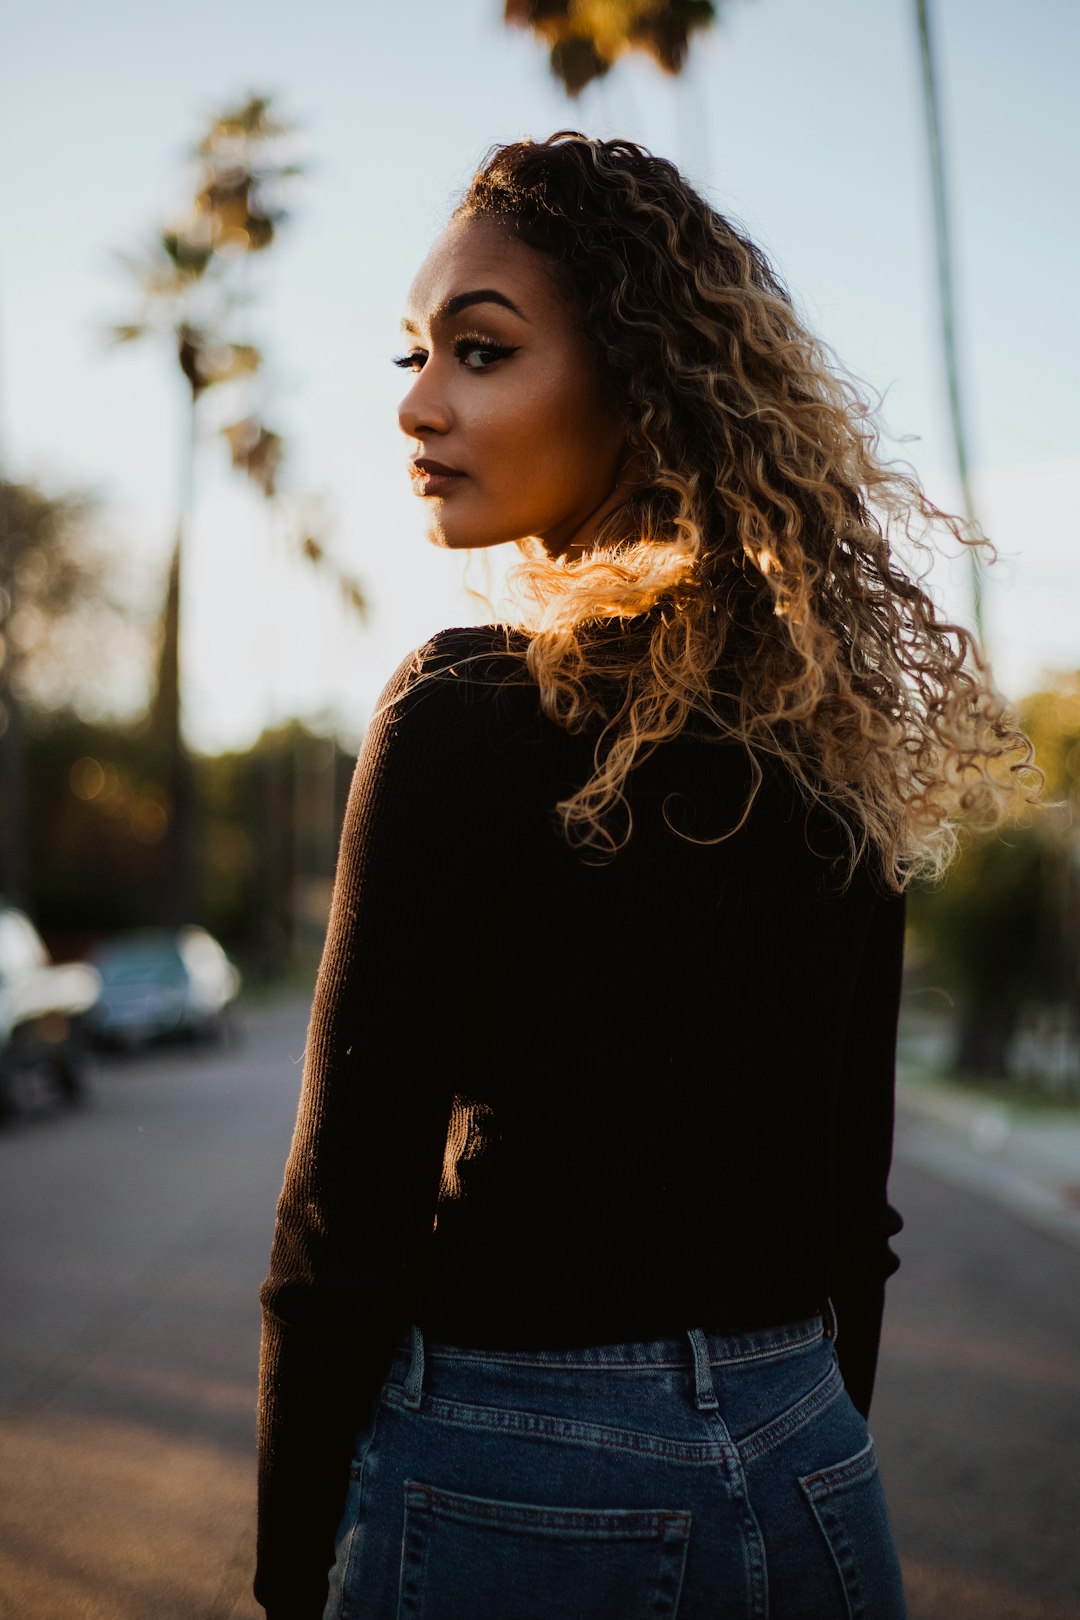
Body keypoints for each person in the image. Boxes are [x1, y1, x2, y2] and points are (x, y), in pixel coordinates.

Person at [253, 132, 1038, 1620]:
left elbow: (339, 1228)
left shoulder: (462, 714)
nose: (419, 404)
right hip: (813, 1463)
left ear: (638, 383)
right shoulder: (837, 741)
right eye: (416, 354)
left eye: (479, 353)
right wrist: (795, 1448)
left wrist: (292, 1569)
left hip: (513, 1481)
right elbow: (845, 1224)